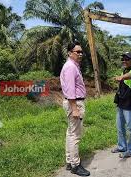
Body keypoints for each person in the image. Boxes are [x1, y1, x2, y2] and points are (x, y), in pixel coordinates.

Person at [60, 41, 90, 176]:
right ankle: (75, 165)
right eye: (77, 52)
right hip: (75, 103)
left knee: (70, 132)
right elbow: (70, 90)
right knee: (75, 135)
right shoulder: (71, 67)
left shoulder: (72, 66)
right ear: (69, 53)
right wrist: (75, 108)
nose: (80, 54)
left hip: (74, 102)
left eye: (81, 52)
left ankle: (69, 160)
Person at [112, 52, 131, 158]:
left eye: (127, 59)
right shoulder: (124, 70)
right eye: (123, 59)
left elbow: (129, 76)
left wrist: (121, 77)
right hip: (121, 102)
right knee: (120, 127)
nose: (124, 61)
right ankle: (122, 146)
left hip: (130, 103)